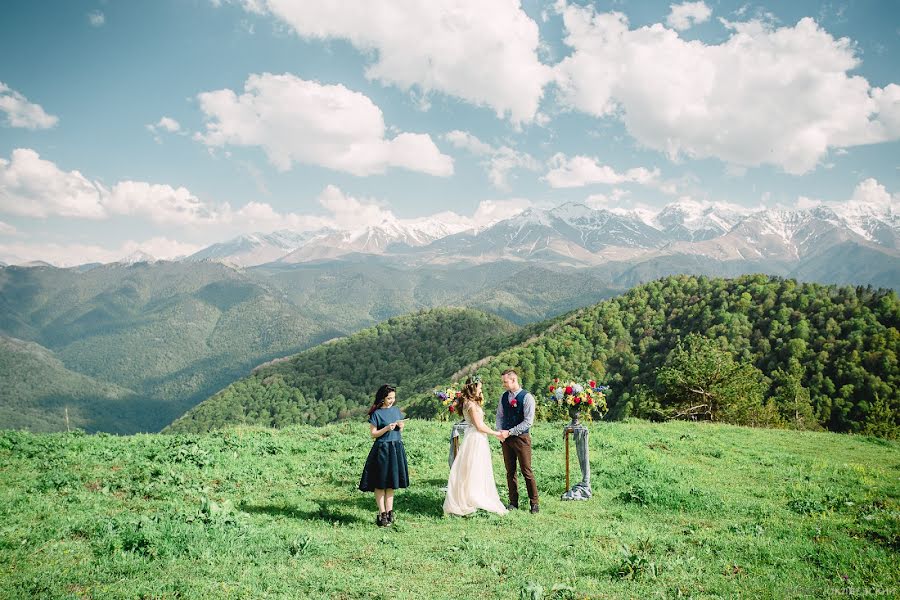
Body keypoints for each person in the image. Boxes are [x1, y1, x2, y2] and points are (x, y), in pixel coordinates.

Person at [442, 377, 509, 517]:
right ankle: (472, 498)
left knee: (475, 468)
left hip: (476, 438)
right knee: (474, 468)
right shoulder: (471, 405)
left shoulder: (470, 402)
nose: (481, 390)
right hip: (475, 438)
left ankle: (473, 495)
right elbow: (479, 426)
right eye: (479, 388)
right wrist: (496, 433)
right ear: (473, 388)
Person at [359, 384, 409, 527]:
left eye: (393, 398)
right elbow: (373, 434)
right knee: (380, 483)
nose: (392, 400)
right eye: (389, 398)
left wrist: (401, 426)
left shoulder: (396, 410)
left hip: (396, 448)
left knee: (391, 483)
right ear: (382, 398)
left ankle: (390, 512)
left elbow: (400, 430)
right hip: (382, 449)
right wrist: (387, 428)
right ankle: (382, 515)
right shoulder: (376, 414)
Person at [496, 368, 539, 513]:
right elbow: (499, 416)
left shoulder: (527, 398)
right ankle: (513, 502)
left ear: (514, 380)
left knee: (526, 471)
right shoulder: (503, 397)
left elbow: (528, 422)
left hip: (521, 439)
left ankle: (534, 503)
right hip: (506, 440)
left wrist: (510, 432)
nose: (503, 384)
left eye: (505, 382)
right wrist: (500, 432)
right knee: (510, 472)